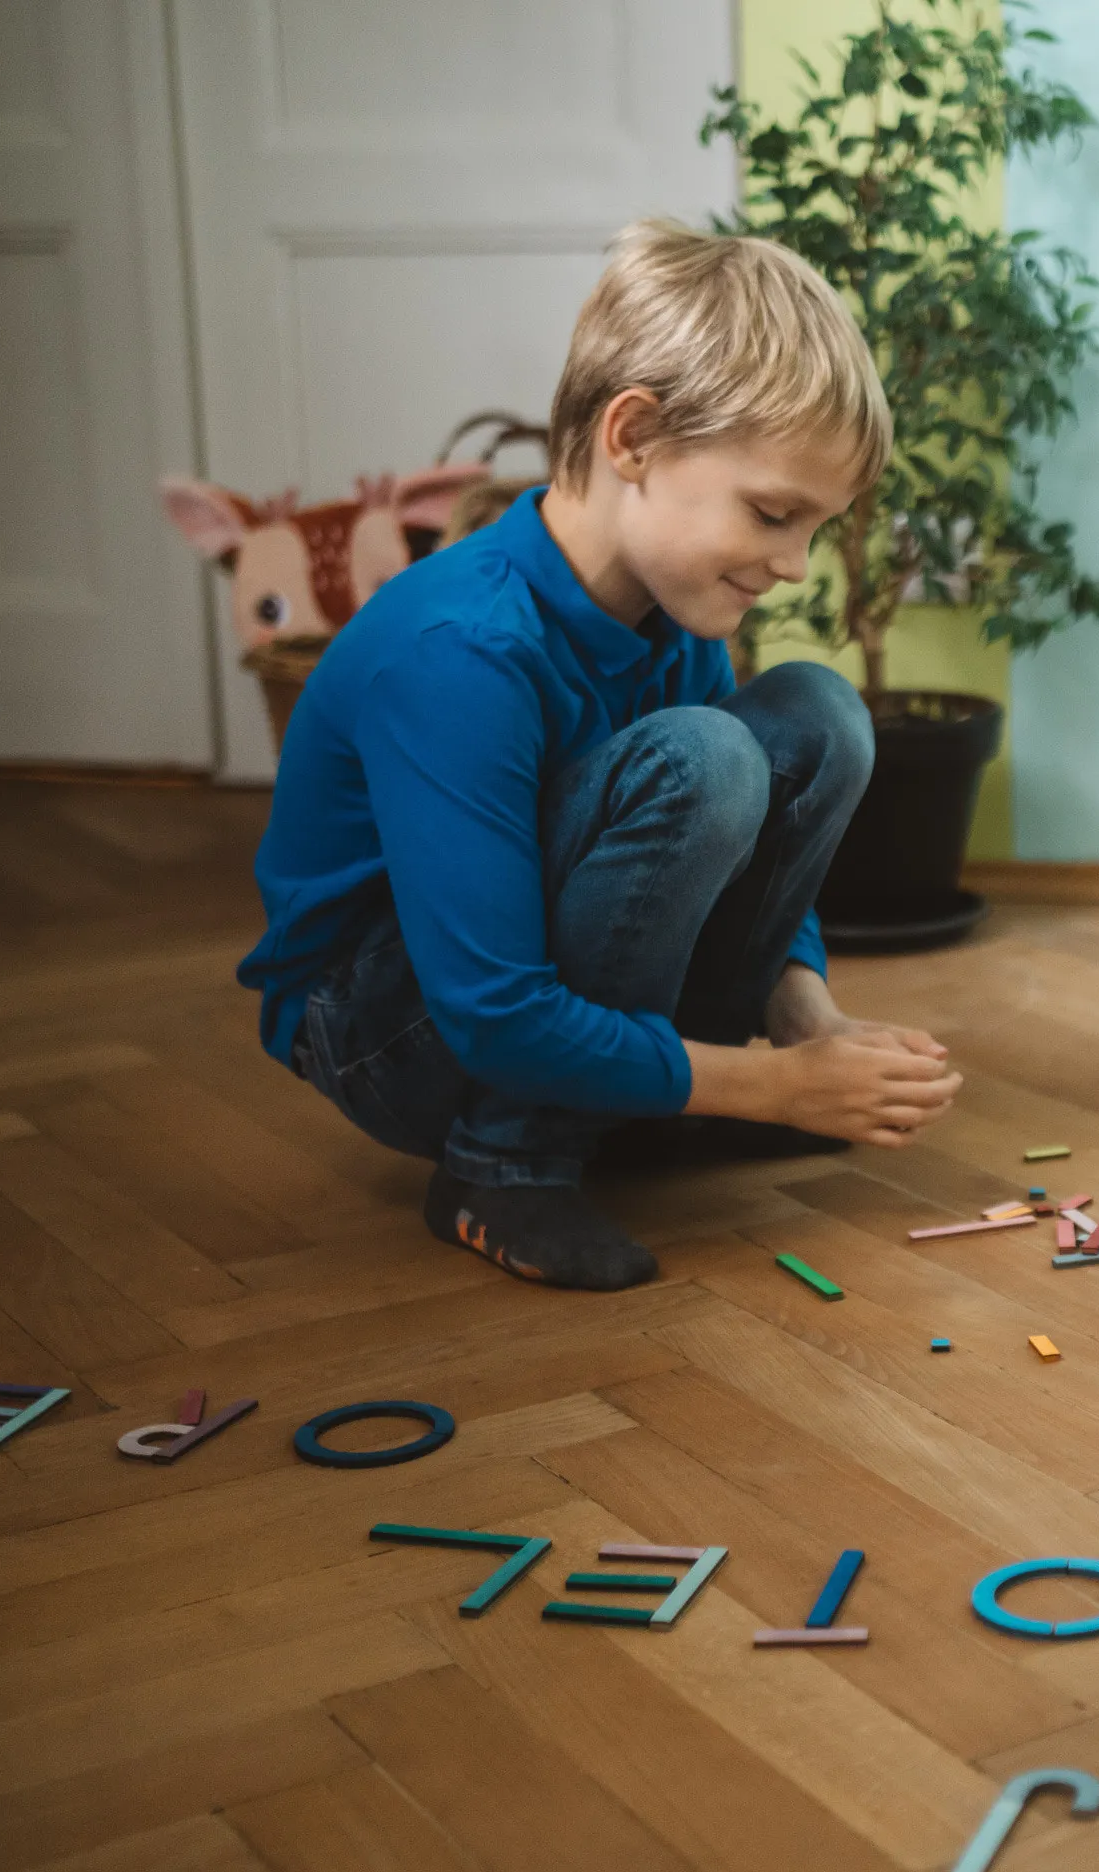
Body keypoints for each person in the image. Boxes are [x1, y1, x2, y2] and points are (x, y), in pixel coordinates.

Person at [238, 221, 961, 1291]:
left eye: (817, 527)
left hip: (521, 993)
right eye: (773, 513)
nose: (796, 565)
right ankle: (503, 1163)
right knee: (705, 759)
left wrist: (809, 1025)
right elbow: (490, 1007)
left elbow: (746, 831)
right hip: (394, 1028)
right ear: (634, 438)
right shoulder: (460, 653)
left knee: (816, 710)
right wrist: (780, 1093)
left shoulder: (671, 608)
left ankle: (643, 1102)